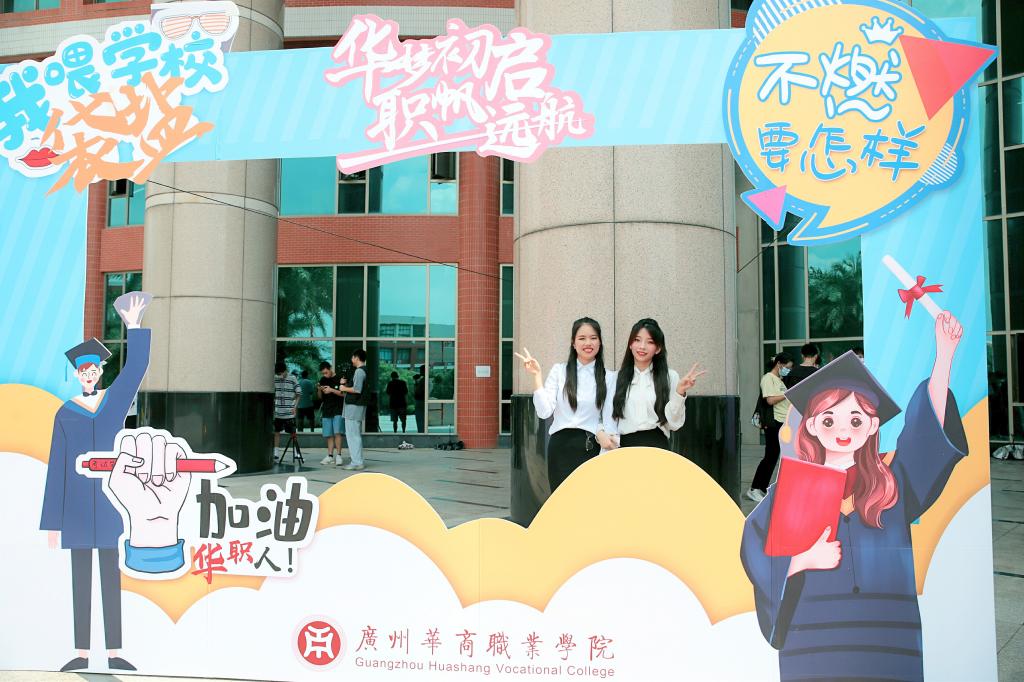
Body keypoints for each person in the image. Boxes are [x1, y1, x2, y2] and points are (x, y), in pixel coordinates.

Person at [741, 313, 967, 682]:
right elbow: (754, 545)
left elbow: (926, 437)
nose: (843, 430)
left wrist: (944, 356)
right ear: (812, 425)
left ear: (873, 425)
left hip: (887, 637)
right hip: (814, 638)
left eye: (856, 420)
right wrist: (800, 561)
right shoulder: (792, 489)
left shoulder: (891, 481)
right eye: (829, 420)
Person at [40, 293, 150, 673]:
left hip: (109, 504)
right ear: (77, 374)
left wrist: (133, 326)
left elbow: (135, 369)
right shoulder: (65, 412)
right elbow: (56, 466)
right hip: (74, 509)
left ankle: (115, 651)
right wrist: (53, 522)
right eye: (83, 370)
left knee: (110, 577)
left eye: (93, 369)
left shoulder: (113, 402)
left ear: (100, 372)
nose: (88, 374)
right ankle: (82, 652)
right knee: (80, 580)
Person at [515, 317, 615, 492]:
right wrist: (537, 376)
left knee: (588, 501)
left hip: (591, 447)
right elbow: (544, 412)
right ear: (573, 343)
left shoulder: (609, 377)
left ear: (600, 342)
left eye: (593, 338)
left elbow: (609, 419)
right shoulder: (559, 371)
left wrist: (602, 434)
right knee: (561, 502)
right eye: (582, 338)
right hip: (560, 447)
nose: (588, 343)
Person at [599, 318, 705, 450]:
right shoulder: (615, 379)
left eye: (650, 342)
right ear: (630, 344)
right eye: (637, 340)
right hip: (625, 448)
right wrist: (600, 433)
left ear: (658, 348)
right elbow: (605, 419)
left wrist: (679, 393)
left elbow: (674, 424)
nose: (642, 346)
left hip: (657, 447)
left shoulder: (670, 377)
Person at [748, 352, 794, 502]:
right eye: (787, 367)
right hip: (773, 422)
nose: (788, 370)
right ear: (779, 364)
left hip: (780, 422)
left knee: (773, 457)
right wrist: (787, 394)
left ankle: (761, 488)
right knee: (770, 456)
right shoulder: (768, 378)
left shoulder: (778, 379)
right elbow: (770, 400)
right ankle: (754, 488)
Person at [337, 349, 369, 470]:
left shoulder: (359, 371)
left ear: (356, 357)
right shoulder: (363, 371)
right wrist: (345, 385)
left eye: (352, 357)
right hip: (356, 406)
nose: (351, 360)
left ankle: (357, 462)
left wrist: (343, 388)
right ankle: (357, 461)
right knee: (354, 435)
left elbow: (357, 389)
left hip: (353, 407)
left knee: (352, 435)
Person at [317, 361, 345, 466]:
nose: (325, 375)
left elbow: (344, 394)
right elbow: (320, 397)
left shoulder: (339, 378)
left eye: (326, 372)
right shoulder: (323, 380)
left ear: (330, 368)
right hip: (327, 409)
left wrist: (331, 390)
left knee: (337, 432)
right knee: (329, 434)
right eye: (323, 373)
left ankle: (339, 455)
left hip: (338, 409)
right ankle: (330, 455)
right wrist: (319, 390)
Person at [273, 361, 301, 459]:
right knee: (276, 432)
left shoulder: (292, 378)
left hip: (289, 412)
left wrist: (295, 407)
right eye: (278, 374)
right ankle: (276, 452)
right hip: (278, 412)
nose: (280, 375)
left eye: (282, 373)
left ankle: (296, 452)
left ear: (285, 370)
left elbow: (298, 393)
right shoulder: (275, 378)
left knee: (293, 433)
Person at [413, 367, 426, 433]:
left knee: (420, 418)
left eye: (421, 370)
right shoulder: (423, 380)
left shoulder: (423, 380)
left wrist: (416, 383)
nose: (420, 372)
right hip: (422, 401)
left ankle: (421, 432)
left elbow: (418, 391)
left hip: (420, 401)